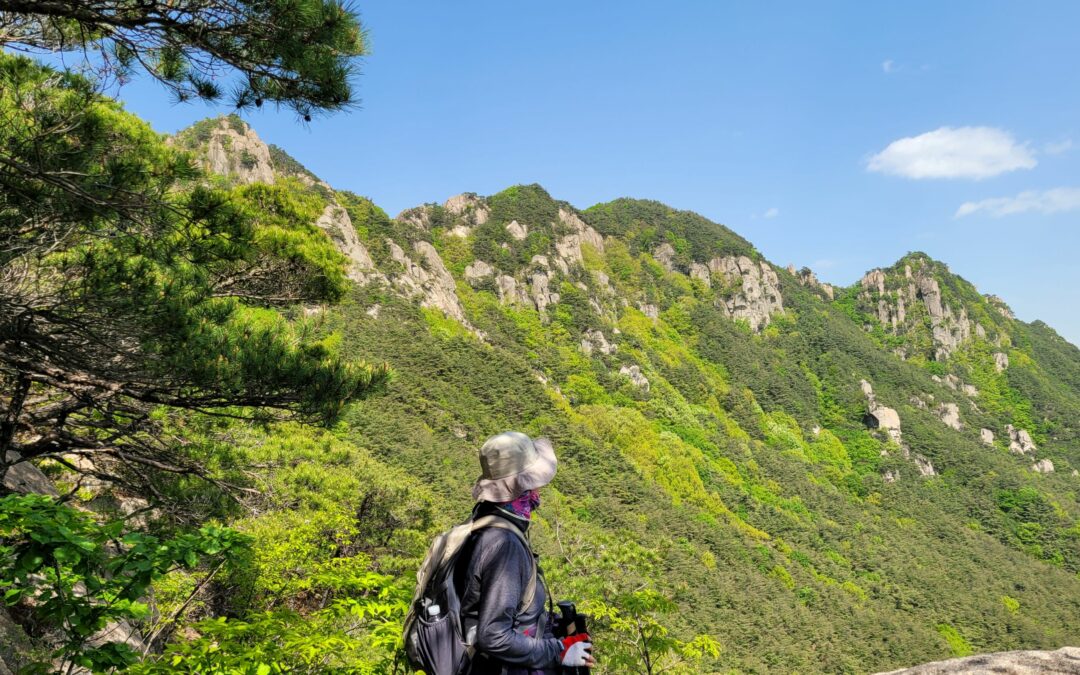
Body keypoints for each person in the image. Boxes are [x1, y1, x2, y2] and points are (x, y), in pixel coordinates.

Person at [455, 431, 596, 675]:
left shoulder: (485, 518)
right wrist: (559, 651)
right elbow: (493, 635)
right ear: (523, 484)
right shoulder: (504, 545)